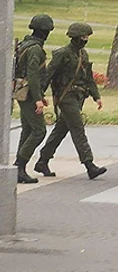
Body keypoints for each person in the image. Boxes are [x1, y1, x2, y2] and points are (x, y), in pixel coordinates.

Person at [34, 22, 106, 180]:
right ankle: (89, 164)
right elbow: (49, 74)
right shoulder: (63, 54)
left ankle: (42, 160)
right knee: (78, 129)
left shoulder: (83, 54)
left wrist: (96, 96)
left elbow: (88, 77)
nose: (85, 40)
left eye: (87, 37)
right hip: (65, 97)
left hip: (78, 97)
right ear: (75, 37)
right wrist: (39, 95)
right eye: (83, 37)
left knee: (60, 131)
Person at [14, 14, 54, 184]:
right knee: (39, 131)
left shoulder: (25, 44)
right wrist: (38, 98)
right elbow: (33, 74)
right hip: (29, 94)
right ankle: (19, 165)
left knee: (28, 129)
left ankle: (18, 168)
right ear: (44, 31)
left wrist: (40, 96)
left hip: (23, 91)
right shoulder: (36, 49)